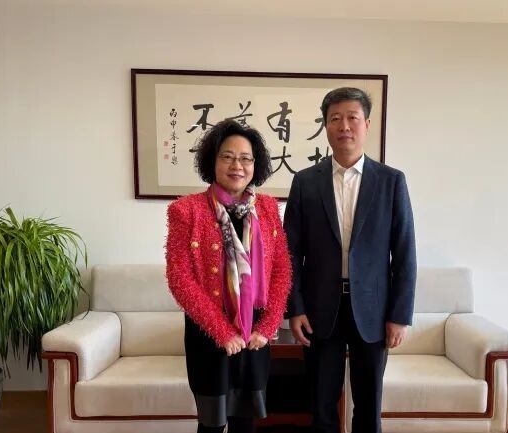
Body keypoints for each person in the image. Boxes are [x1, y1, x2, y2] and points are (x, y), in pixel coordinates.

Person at [284, 87, 416, 433]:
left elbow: (404, 253)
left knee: (369, 407)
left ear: (366, 124)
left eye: (352, 117)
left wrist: (399, 315)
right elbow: (289, 252)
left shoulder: (390, 181)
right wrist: (295, 308)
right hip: (318, 310)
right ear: (326, 126)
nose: (344, 126)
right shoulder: (305, 182)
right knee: (322, 406)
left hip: (373, 310)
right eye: (335, 118)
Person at [165, 119, 292, 433]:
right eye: (228, 157)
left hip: (254, 333)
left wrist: (268, 326)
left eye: (246, 158)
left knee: (244, 421)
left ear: (255, 165)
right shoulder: (186, 210)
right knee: (211, 423)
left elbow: (281, 269)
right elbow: (180, 279)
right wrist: (222, 331)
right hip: (208, 334)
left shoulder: (267, 208)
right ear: (212, 160)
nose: (238, 166)